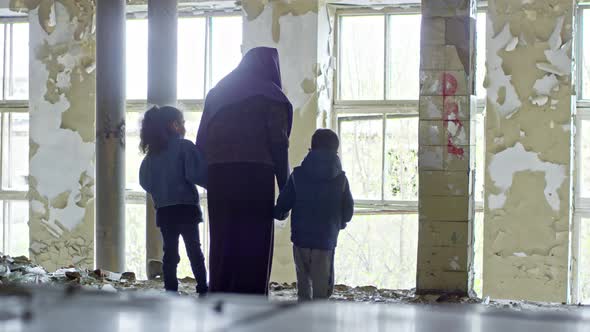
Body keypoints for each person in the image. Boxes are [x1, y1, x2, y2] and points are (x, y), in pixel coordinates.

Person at [196, 47, 292, 295]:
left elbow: (201, 143)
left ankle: (220, 297)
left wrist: (212, 180)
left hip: (220, 178)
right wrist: (286, 191)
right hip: (255, 178)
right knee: (253, 246)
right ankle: (250, 305)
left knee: (223, 243)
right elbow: (279, 146)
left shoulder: (217, 93)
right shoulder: (272, 97)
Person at [274, 129, 354, 301]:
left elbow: (283, 204)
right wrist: (341, 222)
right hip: (325, 240)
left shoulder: (298, 175)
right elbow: (348, 210)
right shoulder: (341, 179)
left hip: (301, 239)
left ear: (311, 148)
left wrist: (278, 213)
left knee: (304, 289)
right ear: (335, 151)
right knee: (322, 292)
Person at [139, 105, 208, 295]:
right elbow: (198, 174)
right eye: (183, 123)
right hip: (186, 209)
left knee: (170, 253)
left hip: (165, 211)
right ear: (175, 125)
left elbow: (145, 182)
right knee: (194, 250)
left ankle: (170, 289)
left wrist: (162, 192)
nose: (184, 127)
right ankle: (202, 288)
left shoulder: (151, 156)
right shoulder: (185, 147)